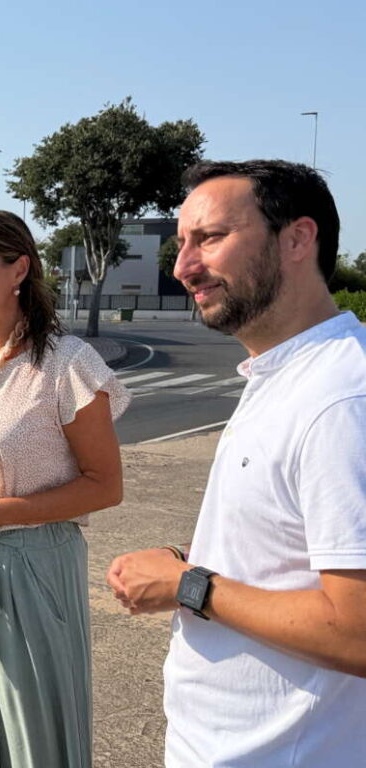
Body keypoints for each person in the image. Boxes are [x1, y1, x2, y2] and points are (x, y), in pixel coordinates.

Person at [107, 160, 366, 767]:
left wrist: (189, 586)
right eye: (180, 245)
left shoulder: (341, 398)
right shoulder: (282, 374)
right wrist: (191, 567)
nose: (182, 266)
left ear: (298, 238)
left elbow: (357, 629)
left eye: (211, 238)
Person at [0, 210, 131, 768]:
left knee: (35, 732)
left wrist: (1, 512)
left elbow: (105, 485)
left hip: (34, 567)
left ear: (19, 270)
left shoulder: (66, 365)